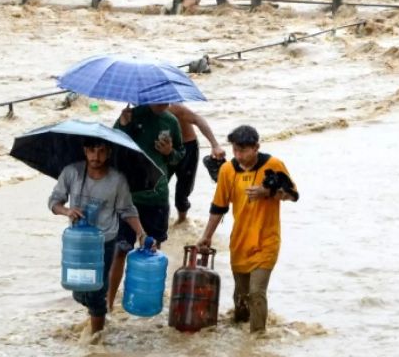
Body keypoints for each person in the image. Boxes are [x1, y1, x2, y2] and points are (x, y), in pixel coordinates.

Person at [196, 125, 299, 333]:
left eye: (243, 150)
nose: (239, 155)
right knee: (241, 298)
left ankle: (257, 341)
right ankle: (241, 333)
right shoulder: (227, 171)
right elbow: (219, 207)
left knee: (256, 292)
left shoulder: (273, 165)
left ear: (256, 147)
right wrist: (206, 236)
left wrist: (267, 191)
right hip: (240, 242)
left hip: (267, 241)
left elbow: (293, 195)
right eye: (235, 150)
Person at [48, 137, 149, 335]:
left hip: (104, 242)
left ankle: (96, 339)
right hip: (78, 244)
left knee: (96, 293)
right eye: (92, 151)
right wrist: (66, 210)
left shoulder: (117, 180)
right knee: (79, 291)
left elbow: (127, 210)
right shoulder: (72, 172)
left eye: (101, 151)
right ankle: (98, 314)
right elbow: (53, 202)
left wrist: (141, 233)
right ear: (85, 151)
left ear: (109, 153)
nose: (96, 156)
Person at [109, 104, 185, 305]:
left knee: (152, 251)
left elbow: (180, 155)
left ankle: (147, 301)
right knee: (120, 251)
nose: (164, 104)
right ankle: (107, 304)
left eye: (167, 100)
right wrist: (123, 125)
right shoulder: (130, 116)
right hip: (127, 197)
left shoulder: (171, 121)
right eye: (159, 100)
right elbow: (113, 148)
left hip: (156, 196)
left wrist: (170, 152)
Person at [167, 103, 227, 224]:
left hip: (187, 148)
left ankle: (182, 220)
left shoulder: (174, 107)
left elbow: (198, 119)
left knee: (182, 191)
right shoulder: (142, 110)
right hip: (162, 150)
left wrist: (215, 145)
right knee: (157, 187)